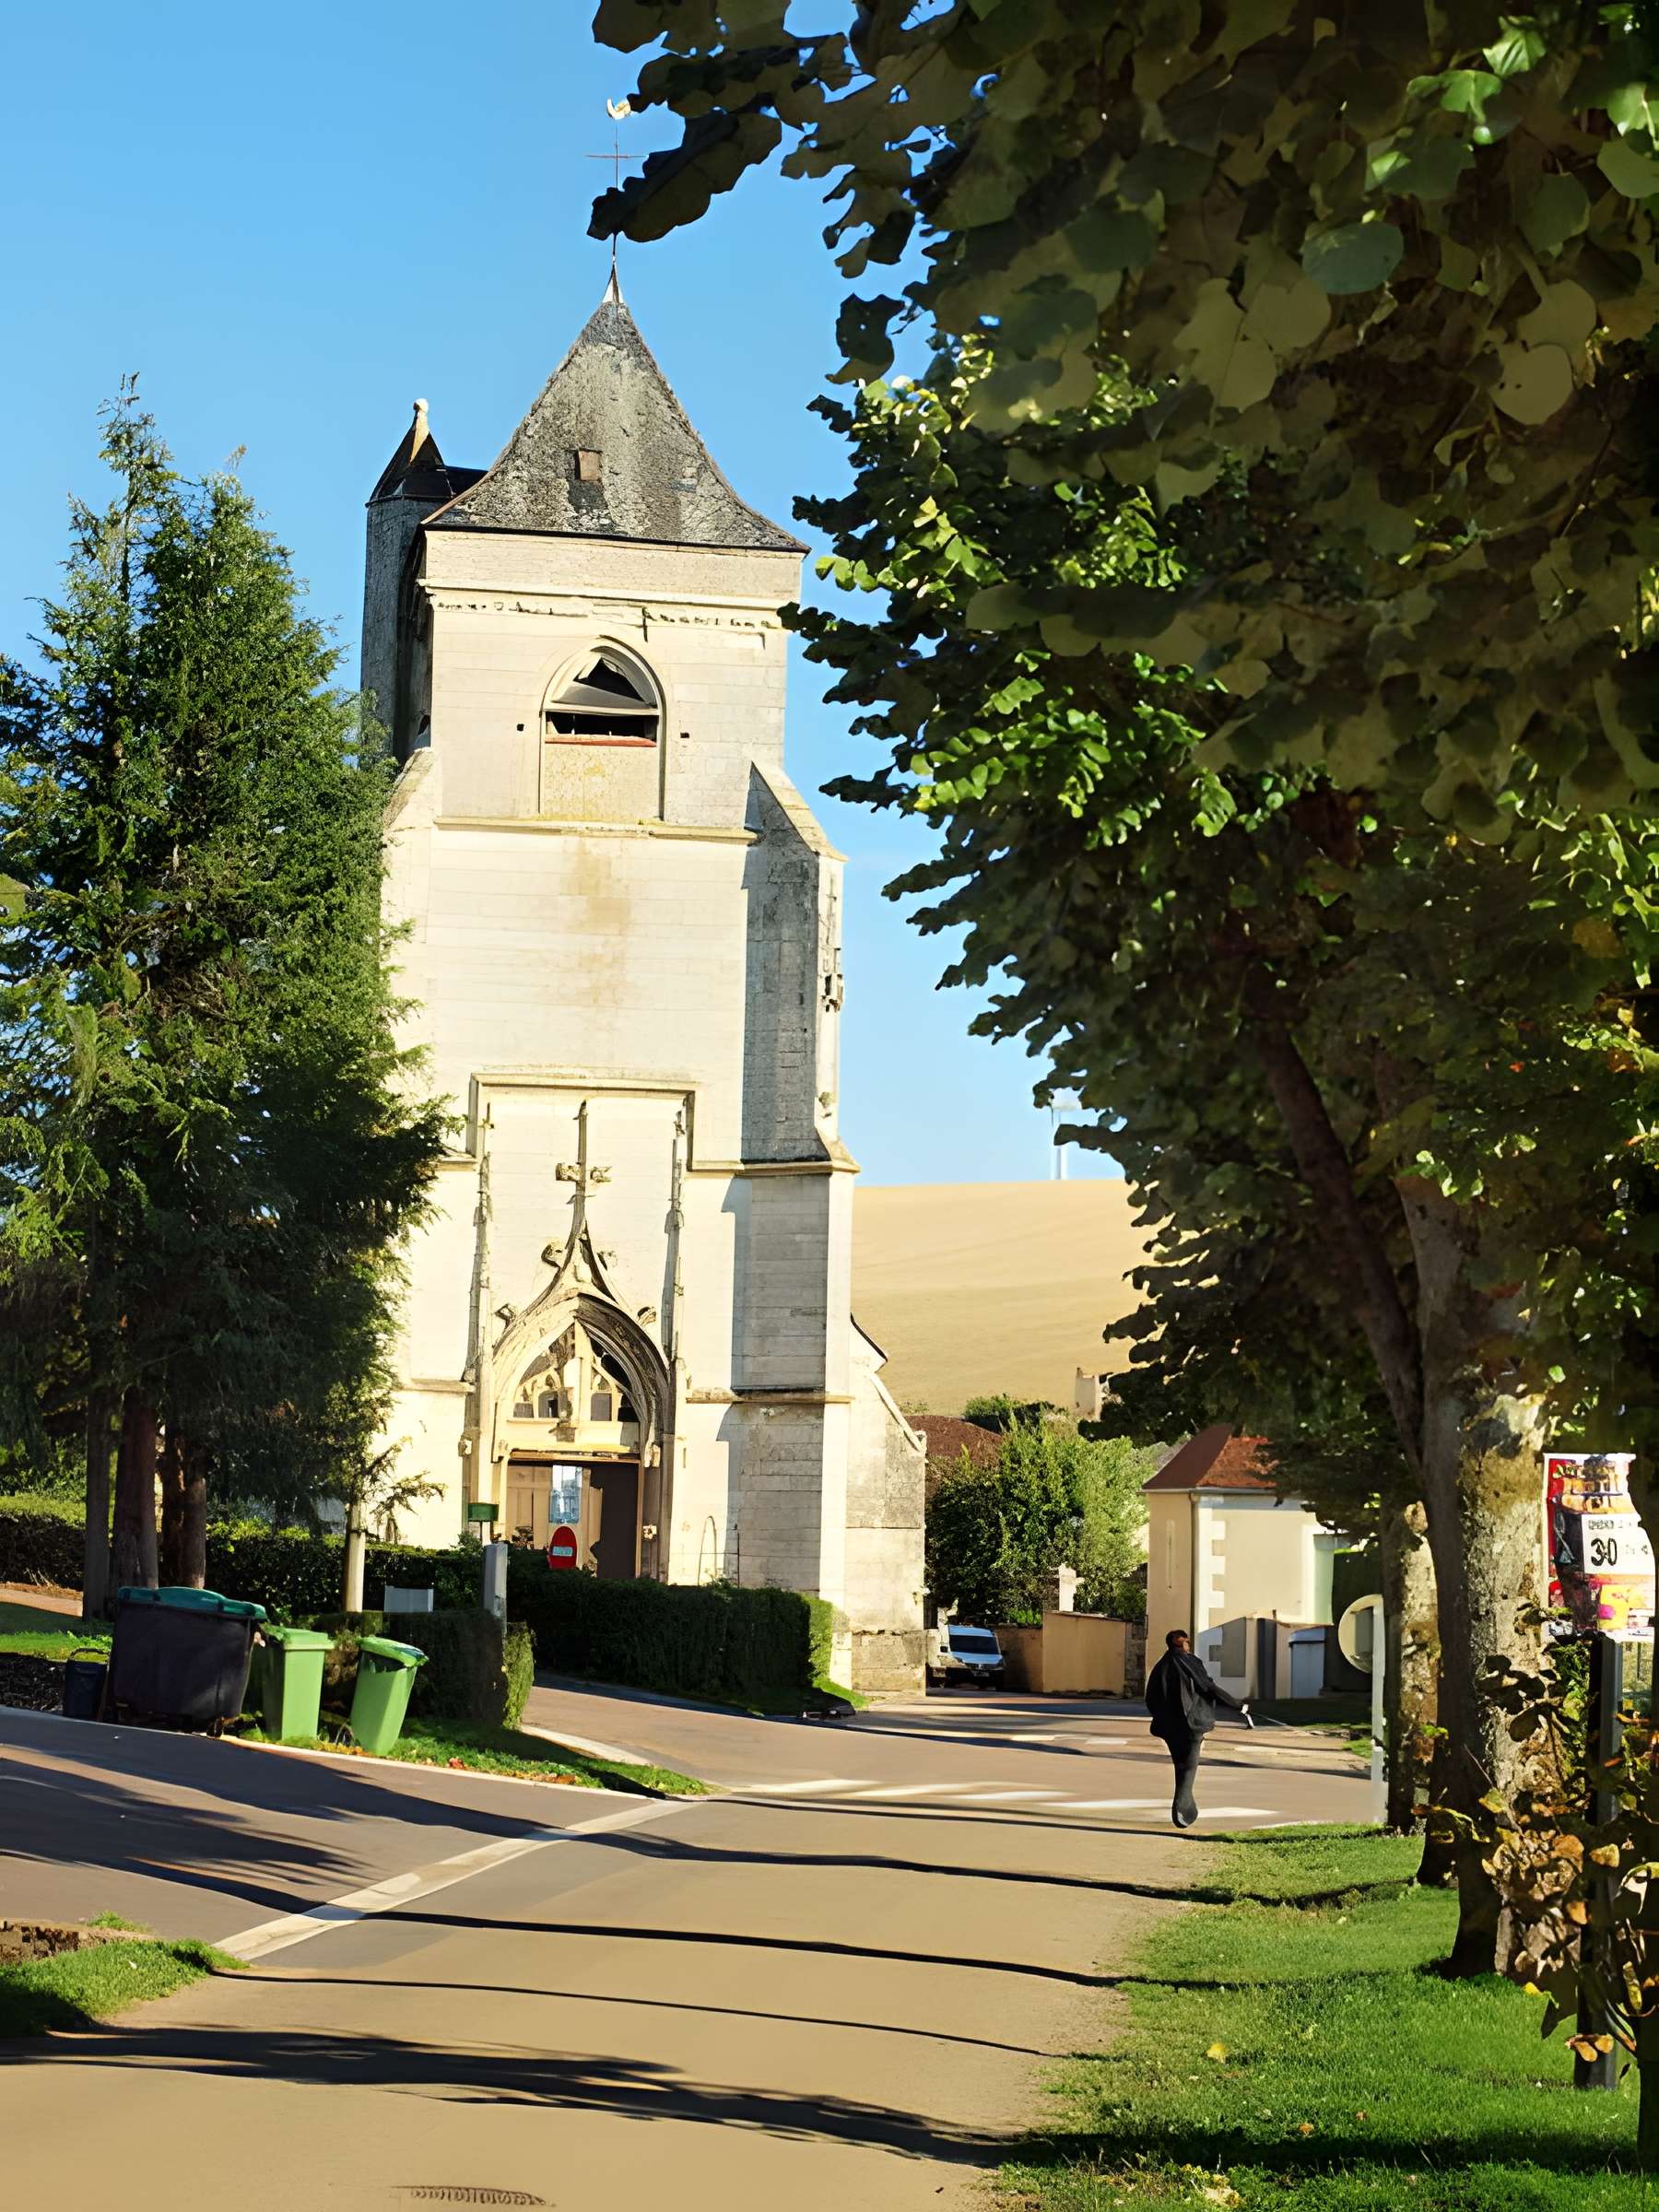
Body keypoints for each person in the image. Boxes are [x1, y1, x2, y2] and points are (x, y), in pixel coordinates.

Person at [1145, 1628, 1252, 1829]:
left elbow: (1150, 1698)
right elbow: (1209, 1688)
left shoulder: (1160, 1667)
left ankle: (1184, 1806)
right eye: (1187, 1642)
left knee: (1181, 1765)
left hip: (1168, 1726)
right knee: (1189, 1766)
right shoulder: (1191, 1663)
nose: (1188, 1645)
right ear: (1183, 1644)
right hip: (1192, 1724)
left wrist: (1161, 1716)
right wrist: (1237, 1705)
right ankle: (1182, 1808)